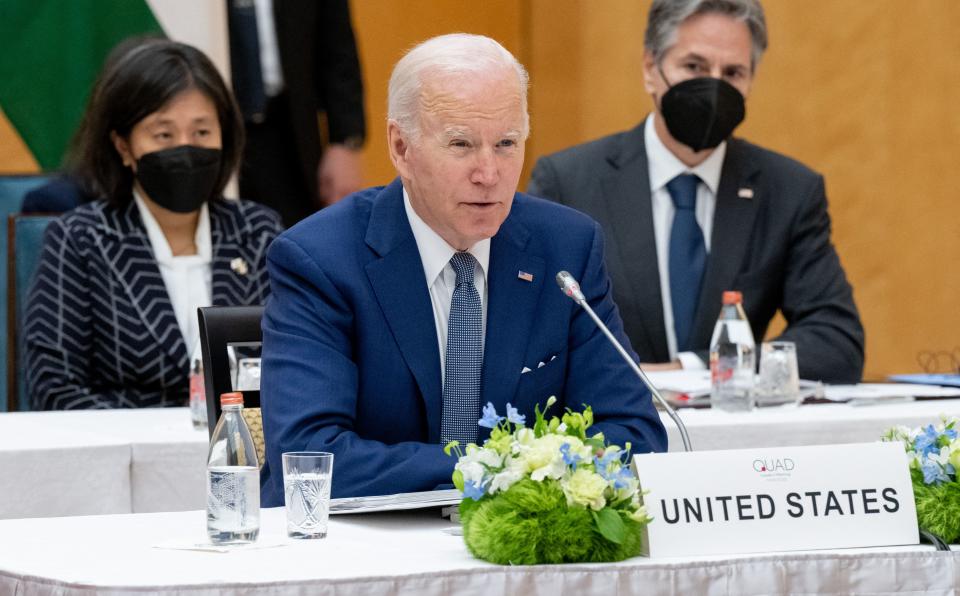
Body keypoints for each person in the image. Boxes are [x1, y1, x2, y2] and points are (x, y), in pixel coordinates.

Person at [259, 33, 667, 502]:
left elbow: (634, 431)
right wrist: (495, 470)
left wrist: (515, 477)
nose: (489, 173)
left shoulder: (566, 249)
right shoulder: (320, 259)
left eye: (507, 143)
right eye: (461, 144)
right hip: (364, 546)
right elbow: (309, 456)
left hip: (522, 550)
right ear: (400, 147)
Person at [528, 0, 864, 383]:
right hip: (609, 432)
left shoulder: (787, 191)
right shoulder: (569, 182)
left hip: (737, 434)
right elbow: (532, 334)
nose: (714, 86)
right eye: (694, 67)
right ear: (651, 69)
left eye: (733, 72)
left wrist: (700, 368)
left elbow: (837, 343)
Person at [24, 39, 283, 410]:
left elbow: (295, 368)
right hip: (122, 460)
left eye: (202, 133)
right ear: (124, 147)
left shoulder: (259, 232)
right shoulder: (79, 240)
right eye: (164, 135)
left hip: (246, 458)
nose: (184, 146)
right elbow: (53, 390)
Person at [228, 0, 366, 227]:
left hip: (288, 131)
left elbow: (339, 48)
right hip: (213, 129)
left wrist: (344, 142)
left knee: (296, 240)